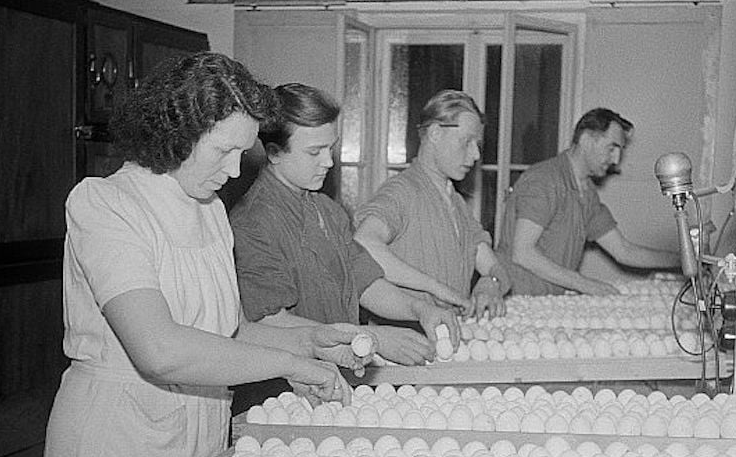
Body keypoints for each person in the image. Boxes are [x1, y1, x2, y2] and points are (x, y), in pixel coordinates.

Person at [43, 53, 369, 457]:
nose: (236, 170)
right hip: (121, 449)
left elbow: (230, 332)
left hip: (198, 448)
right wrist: (289, 364)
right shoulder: (108, 204)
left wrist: (311, 343)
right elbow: (159, 349)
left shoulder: (210, 209)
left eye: (244, 152)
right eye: (224, 150)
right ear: (177, 132)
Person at [231, 83, 460, 366]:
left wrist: (419, 308)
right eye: (314, 152)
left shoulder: (328, 210)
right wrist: (368, 338)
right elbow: (268, 323)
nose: (328, 161)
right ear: (274, 153)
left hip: (336, 372)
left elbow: (364, 283)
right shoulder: (254, 223)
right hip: (285, 379)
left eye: (331, 148)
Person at [353, 89, 510, 320]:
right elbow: (363, 244)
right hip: (404, 335)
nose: (476, 154)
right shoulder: (402, 191)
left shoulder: (456, 202)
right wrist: (433, 287)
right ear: (435, 133)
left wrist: (490, 282)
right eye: (467, 141)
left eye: (477, 144)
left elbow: (493, 266)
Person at [496, 108, 680, 296]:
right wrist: (584, 284)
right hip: (516, 300)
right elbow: (523, 253)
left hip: (548, 301)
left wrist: (683, 260)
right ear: (585, 140)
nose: (616, 160)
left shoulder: (587, 192)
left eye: (619, 151)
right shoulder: (544, 180)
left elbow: (624, 251)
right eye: (611, 148)